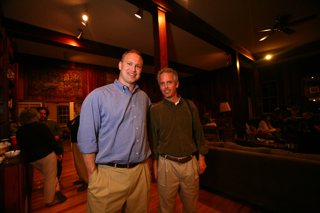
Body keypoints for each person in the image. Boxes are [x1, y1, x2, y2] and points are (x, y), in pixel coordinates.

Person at [77, 49, 152, 213]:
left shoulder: (144, 98)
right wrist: (93, 176)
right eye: (129, 64)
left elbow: (149, 132)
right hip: (109, 174)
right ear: (120, 65)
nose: (133, 69)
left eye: (138, 66)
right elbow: (86, 140)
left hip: (141, 173)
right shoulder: (98, 96)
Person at [149, 67, 208, 213]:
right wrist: (155, 165)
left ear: (176, 84)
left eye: (169, 82)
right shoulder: (155, 111)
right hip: (167, 165)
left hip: (190, 164)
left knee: (191, 208)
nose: (166, 87)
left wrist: (201, 158)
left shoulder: (190, 106)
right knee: (166, 209)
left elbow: (198, 133)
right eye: (162, 83)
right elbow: (154, 140)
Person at [16, 109, 67, 207]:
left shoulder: (20, 131)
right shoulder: (40, 127)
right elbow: (51, 141)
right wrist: (58, 152)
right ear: (36, 116)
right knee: (50, 178)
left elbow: (21, 145)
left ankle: (56, 190)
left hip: (32, 159)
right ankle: (49, 201)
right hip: (46, 156)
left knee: (49, 174)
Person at [37, 107, 64, 180]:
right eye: (41, 113)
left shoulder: (52, 122)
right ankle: (50, 179)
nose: (43, 115)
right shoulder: (36, 125)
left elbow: (60, 130)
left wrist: (58, 136)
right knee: (48, 165)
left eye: (44, 114)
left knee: (58, 164)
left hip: (57, 145)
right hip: (46, 148)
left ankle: (57, 178)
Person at [67, 101, 88, 192]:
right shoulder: (79, 117)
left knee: (81, 162)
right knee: (77, 162)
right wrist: (71, 125)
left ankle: (86, 181)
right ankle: (81, 178)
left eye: (75, 108)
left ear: (80, 107)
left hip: (80, 142)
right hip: (76, 141)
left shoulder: (84, 117)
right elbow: (70, 124)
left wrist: (71, 125)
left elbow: (74, 127)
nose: (74, 110)